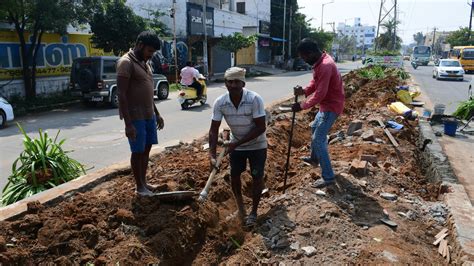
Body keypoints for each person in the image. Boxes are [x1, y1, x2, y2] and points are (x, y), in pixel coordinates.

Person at [208, 67, 267, 227]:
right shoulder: (220, 102)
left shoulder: (254, 99)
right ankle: (241, 209)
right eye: (229, 82)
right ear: (225, 83)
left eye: (236, 82)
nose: (233, 85)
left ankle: (254, 212)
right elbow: (214, 130)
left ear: (243, 83)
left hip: (257, 145)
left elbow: (261, 127)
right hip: (237, 146)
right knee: (234, 175)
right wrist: (212, 156)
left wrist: (236, 144)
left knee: (256, 176)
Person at [291, 38, 345, 188]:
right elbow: (316, 83)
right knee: (314, 127)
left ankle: (328, 178)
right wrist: (304, 91)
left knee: (318, 139)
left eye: (304, 57)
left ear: (312, 53)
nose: (304, 60)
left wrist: (302, 105)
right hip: (326, 105)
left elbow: (320, 93)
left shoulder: (326, 65)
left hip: (331, 106)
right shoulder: (320, 62)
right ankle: (314, 159)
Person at [117, 30, 165, 196]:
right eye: (149, 51)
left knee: (146, 149)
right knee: (137, 152)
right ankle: (139, 187)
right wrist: (128, 124)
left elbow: (148, 92)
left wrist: (157, 113)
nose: (151, 55)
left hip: (148, 115)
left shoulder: (145, 63)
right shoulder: (126, 62)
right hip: (135, 117)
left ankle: (144, 183)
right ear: (140, 45)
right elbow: (121, 95)